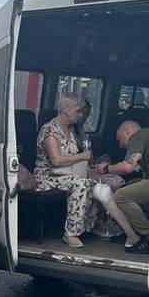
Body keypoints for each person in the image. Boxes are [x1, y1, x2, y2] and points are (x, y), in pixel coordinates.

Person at [34, 93, 94, 248]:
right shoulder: (50, 130)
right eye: (78, 110)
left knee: (92, 183)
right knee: (80, 184)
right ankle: (71, 233)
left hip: (66, 173)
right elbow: (56, 160)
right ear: (66, 109)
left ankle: (85, 226)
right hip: (47, 176)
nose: (80, 114)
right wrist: (82, 156)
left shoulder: (71, 131)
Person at [96, 120, 149, 254]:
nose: (120, 145)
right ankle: (130, 231)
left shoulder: (137, 136)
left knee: (121, 196)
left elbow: (128, 167)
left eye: (120, 139)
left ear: (127, 131)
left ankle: (148, 235)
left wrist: (106, 168)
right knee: (125, 187)